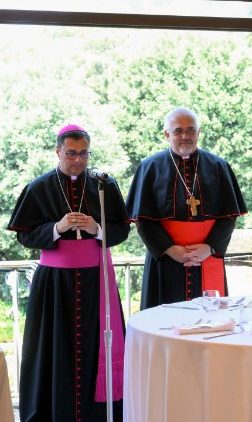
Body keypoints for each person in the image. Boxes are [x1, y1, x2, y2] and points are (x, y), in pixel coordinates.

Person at [7, 124, 130, 421]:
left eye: (84, 153)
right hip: (54, 284)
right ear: (58, 152)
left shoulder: (104, 186)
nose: (78, 160)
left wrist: (97, 229)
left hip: (96, 281)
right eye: (71, 154)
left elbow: (122, 230)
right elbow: (24, 236)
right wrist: (57, 228)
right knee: (54, 349)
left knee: (94, 348)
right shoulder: (39, 187)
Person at [127, 107, 247, 309]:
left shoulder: (218, 166)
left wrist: (209, 247)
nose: (185, 136)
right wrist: (169, 249)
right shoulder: (150, 167)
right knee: (165, 318)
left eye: (191, 130)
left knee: (210, 318)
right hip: (165, 260)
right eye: (178, 131)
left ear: (198, 132)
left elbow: (229, 215)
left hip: (206, 257)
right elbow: (142, 219)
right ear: (167, 134)